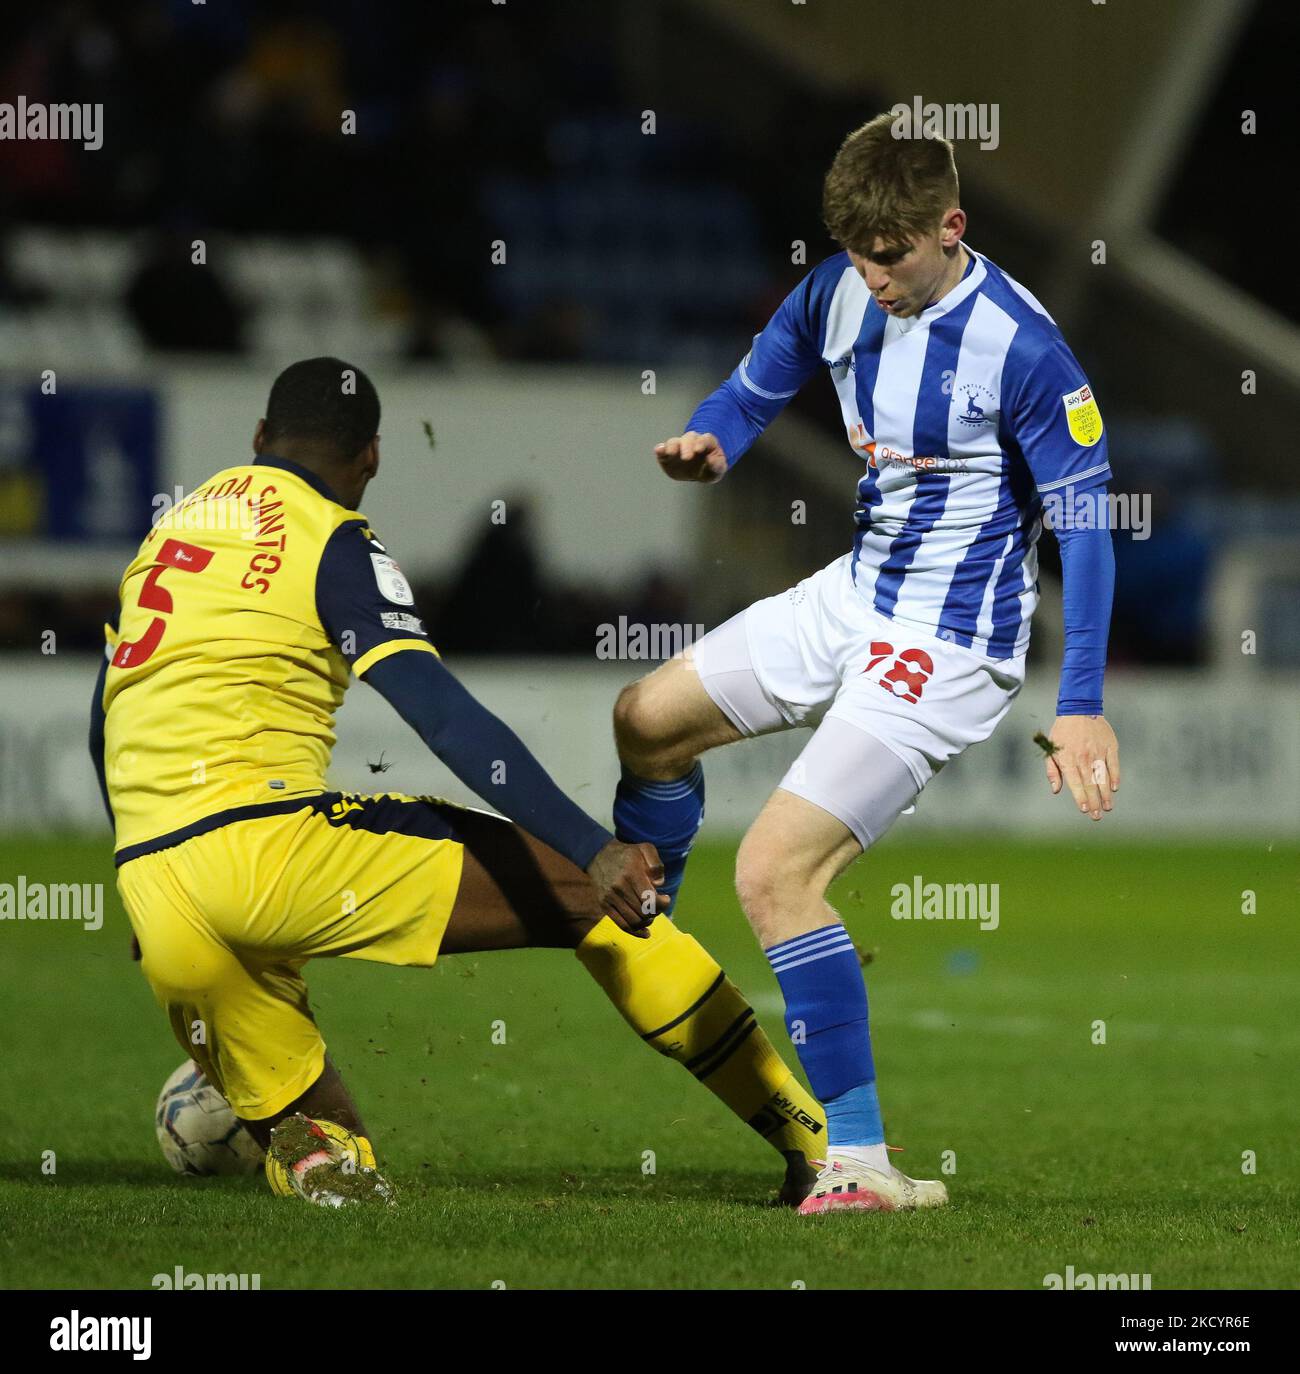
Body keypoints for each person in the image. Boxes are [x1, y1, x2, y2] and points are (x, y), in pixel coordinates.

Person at [91, 356, 826, 1206]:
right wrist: (591, 849)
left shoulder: (167, 538)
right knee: (607, 909)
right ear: (371, 458)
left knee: (341, 1174)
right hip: (262, 846)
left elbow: (103, 719)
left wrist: (144, 872)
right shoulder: (331, 537)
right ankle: (817, 1145)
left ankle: (321, 1169)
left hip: (152, 885)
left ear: (259, 439)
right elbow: (444, 717)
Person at [610, 115, 1121, 1215]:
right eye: (854, 252)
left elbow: (1084, 526)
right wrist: (713, 439)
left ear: (951, 227)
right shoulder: (836, 291)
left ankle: (859, 1162)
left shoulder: (1023, 348)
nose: (872, 276)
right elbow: (752, 389)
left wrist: (1079, 704)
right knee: (646, 719)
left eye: (891, 253)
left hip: (949, 643)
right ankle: (649, 911)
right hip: (856, 592)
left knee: (778, 873)